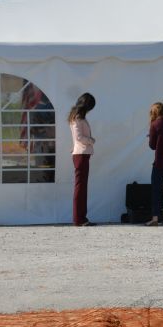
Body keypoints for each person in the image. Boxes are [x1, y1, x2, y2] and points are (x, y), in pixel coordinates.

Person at [68, 92, 96, 226]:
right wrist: (91, 140)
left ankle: (82, 218)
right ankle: (79, 219)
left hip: (81, 154)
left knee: (82, 187)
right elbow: (79, 137)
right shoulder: (78, 118)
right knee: (80, 187)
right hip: (81, 154)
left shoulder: (77, 117)